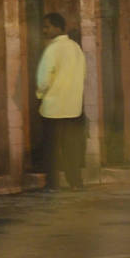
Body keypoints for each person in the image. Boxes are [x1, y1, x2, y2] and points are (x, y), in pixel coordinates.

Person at [37, 13, 86, 191]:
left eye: (47, 26)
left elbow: (43, 80)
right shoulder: (76, 47)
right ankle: (75, 182)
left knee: (52, 148)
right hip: (73, 107)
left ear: (57, 28)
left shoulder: (52, 49)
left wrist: (40, 95)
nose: (44, 30)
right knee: (72, 148)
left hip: (53, 107)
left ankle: (53, 184)